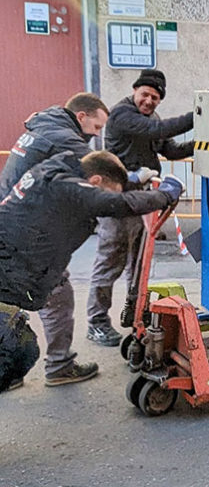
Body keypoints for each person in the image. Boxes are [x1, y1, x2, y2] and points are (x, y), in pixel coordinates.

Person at [0, 150, 184, 389]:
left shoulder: (59, 170)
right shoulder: (67, 186)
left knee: (53, 306)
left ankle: (57, 366)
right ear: (95, 181)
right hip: (13, 268)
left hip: (27, 264)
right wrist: (165, 195)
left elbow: (103, 186)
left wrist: (133, 180)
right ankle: (32, 370)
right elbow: (114, 203)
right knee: (18, 346)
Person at [0, 92, 109, 390]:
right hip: (25, 237)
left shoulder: (43, 127)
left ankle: (7, 371)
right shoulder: (63, 137)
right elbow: (99, 168)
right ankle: (60, 366)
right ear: (82, 116)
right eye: (97, 127)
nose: (96, 135)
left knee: (9, 300)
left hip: (11, 226)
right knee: (57, 294)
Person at [87, 69, 194, 346]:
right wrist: (200, 115)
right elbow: (156, 131)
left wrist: (208, 143)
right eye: (145, 94)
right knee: (110, 261)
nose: (149, 101)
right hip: (118, 199)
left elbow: (170, 150)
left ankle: (135, 313)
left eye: (155, 98)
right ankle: (96, 323)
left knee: (138, 263)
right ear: (135, 90)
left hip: (144, 200)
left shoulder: (153, 118)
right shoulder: (122, 115)